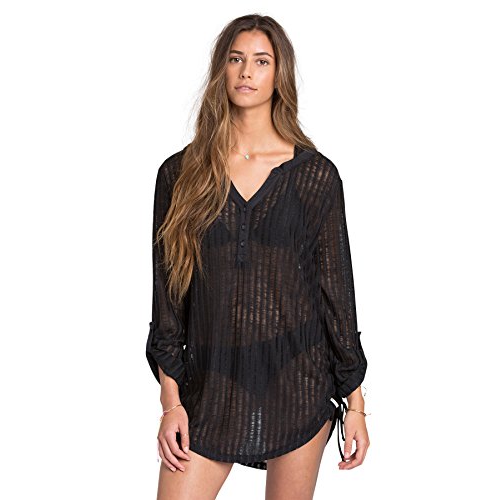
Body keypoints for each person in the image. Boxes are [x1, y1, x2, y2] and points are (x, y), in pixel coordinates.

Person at [146, 13, 370, 500]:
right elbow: (168, 303)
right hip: (210, 387)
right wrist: (171, 403)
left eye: (261, 61)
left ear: (278, 74)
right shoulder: (180, 175)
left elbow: (337, 297)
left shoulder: (315, 178)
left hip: (297, 383)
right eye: (236, 59)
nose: (247, 71)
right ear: (221, 70)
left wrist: (355, 404)